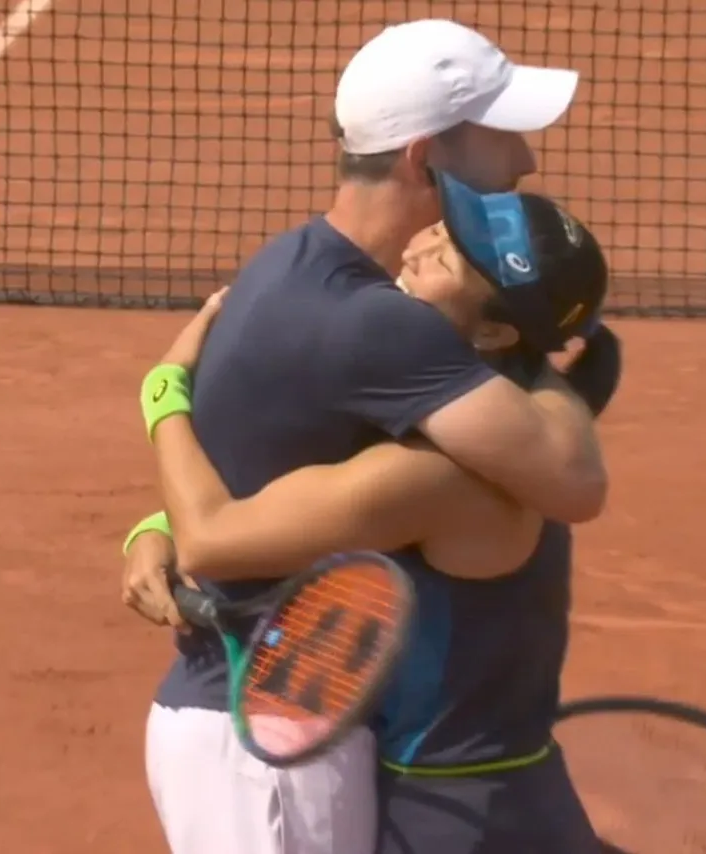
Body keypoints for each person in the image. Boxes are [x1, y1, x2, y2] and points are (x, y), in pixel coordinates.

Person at [121, 18, 608, 854]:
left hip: (288, 719)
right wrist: (162, 411)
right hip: (268, 740)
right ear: (425, 158)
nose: (526, 159)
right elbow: (575, 481)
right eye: (501, 135)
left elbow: (274, 460)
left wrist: (154, 506)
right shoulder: (385, 329)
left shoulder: (289, 265)